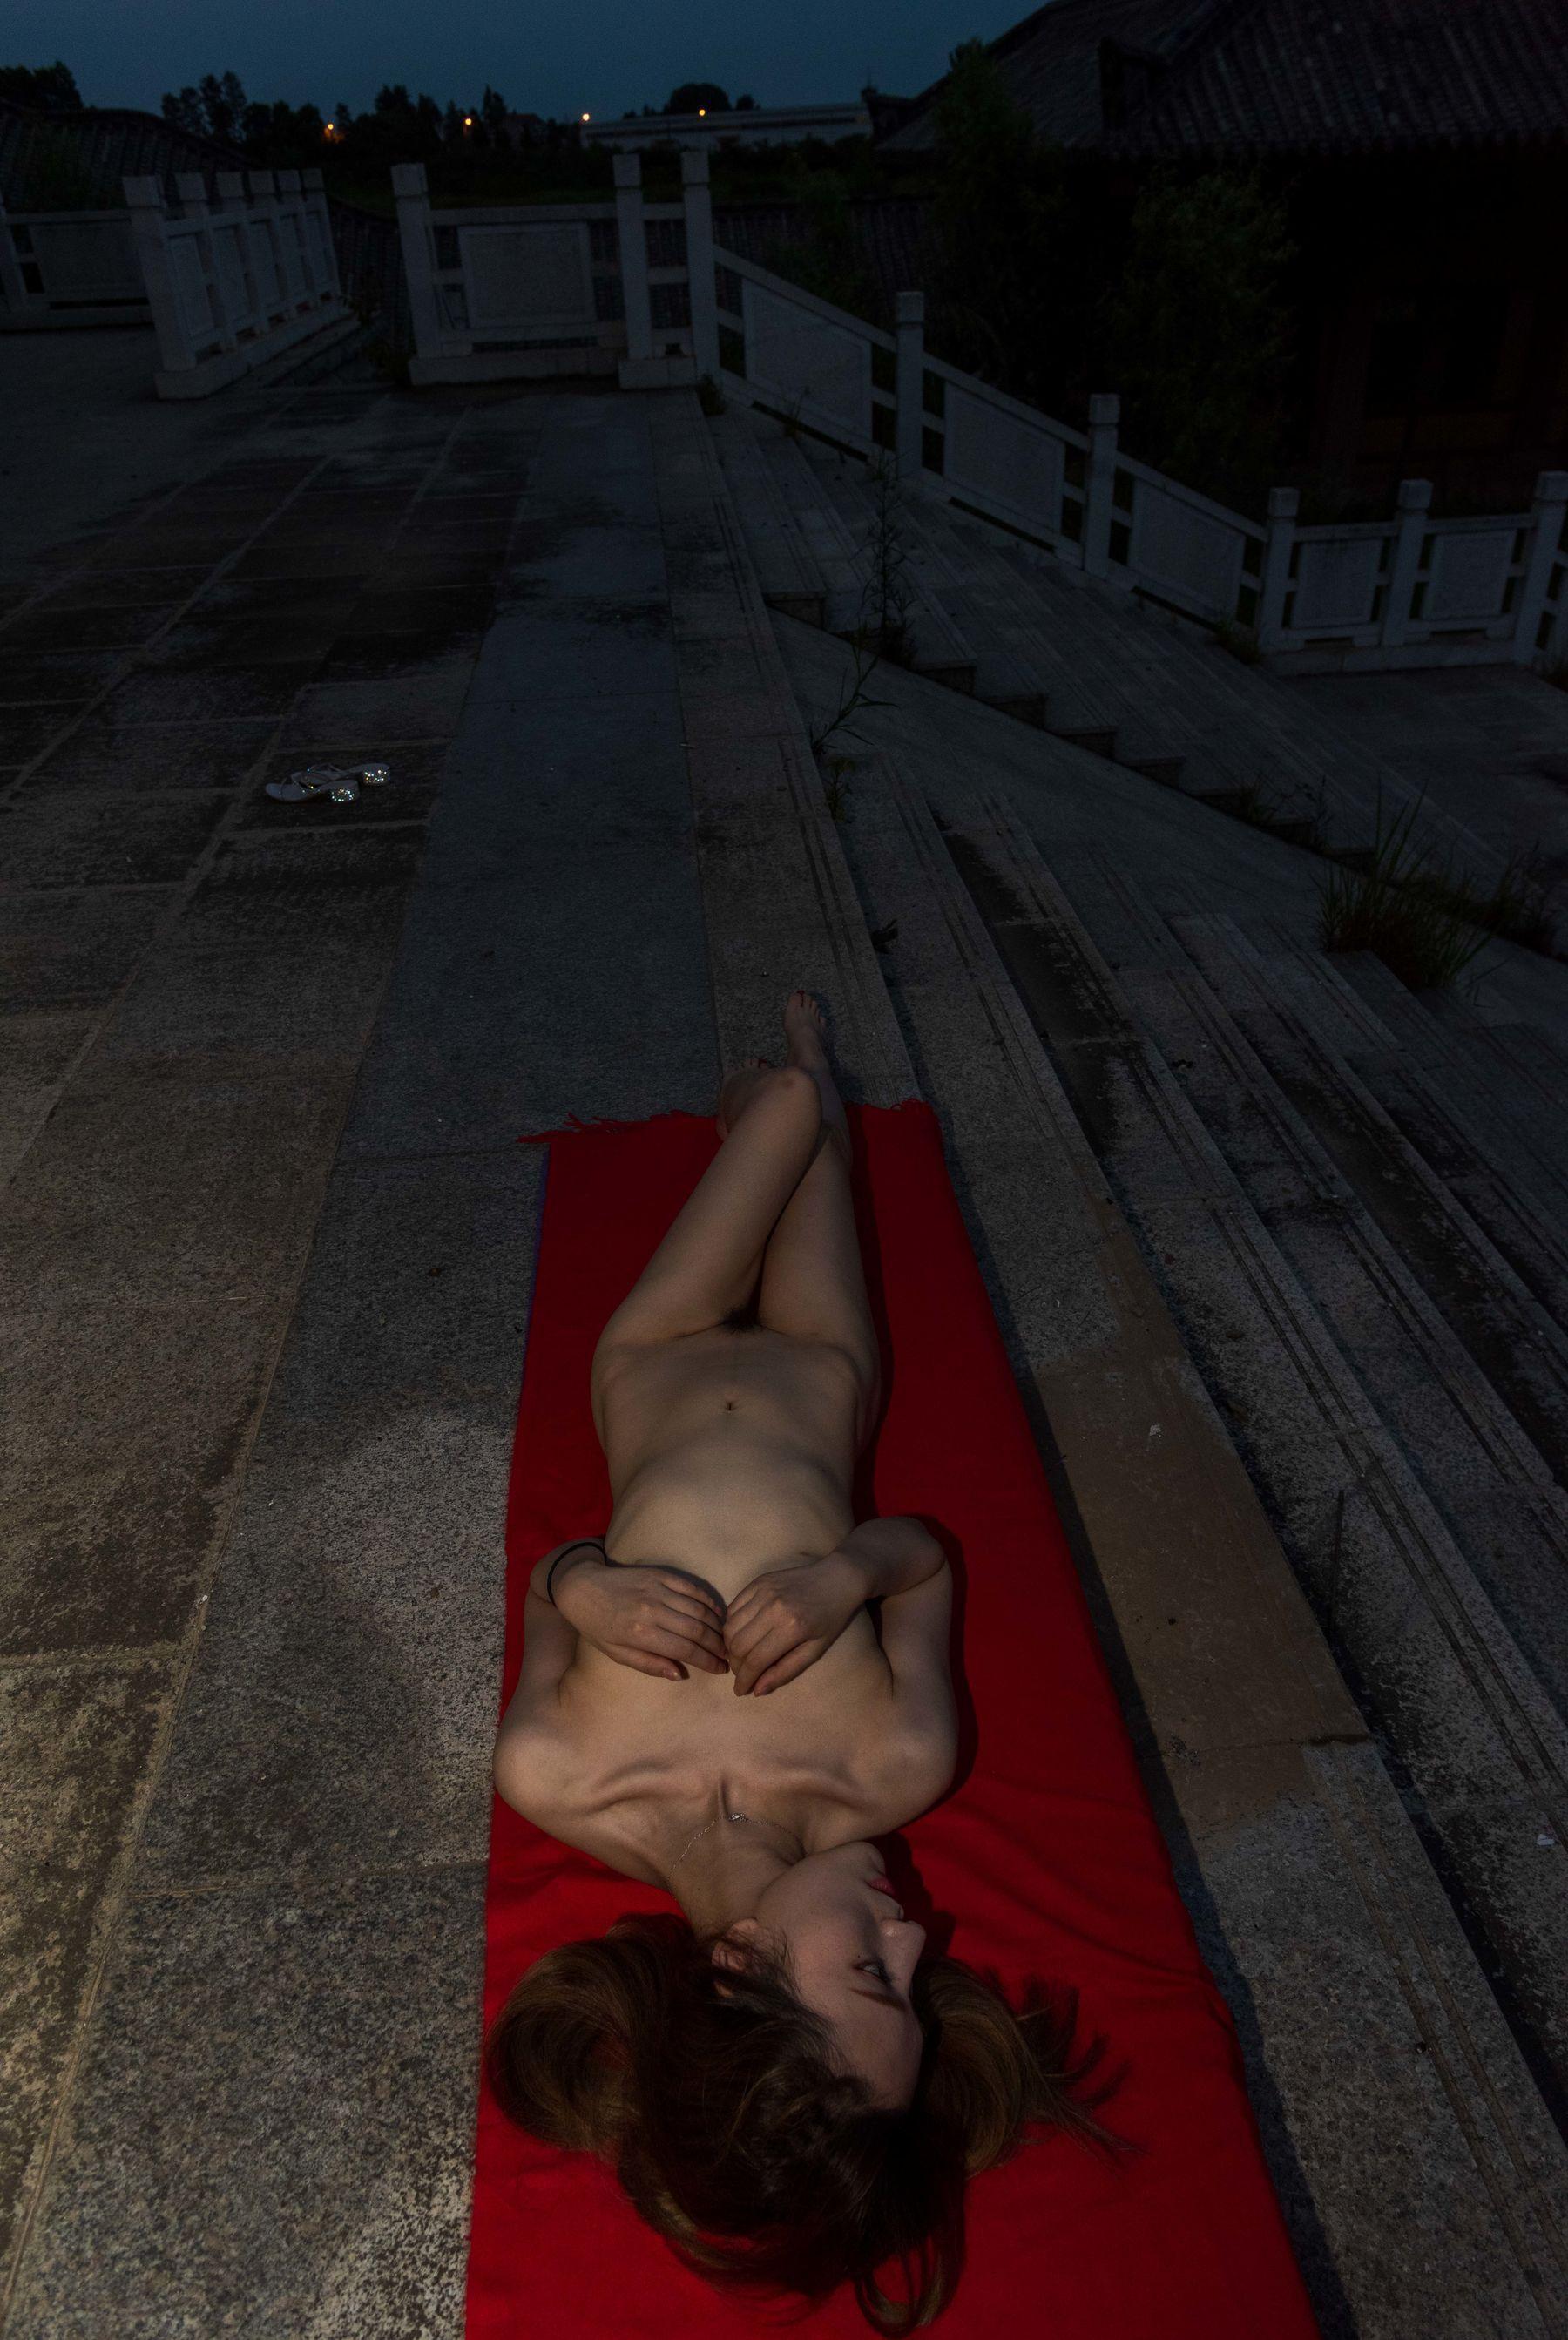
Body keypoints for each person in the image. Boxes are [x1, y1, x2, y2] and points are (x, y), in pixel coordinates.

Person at [488, 991, 1119, 2330]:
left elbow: (545, 1584)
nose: (917, 1928)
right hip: (828, 1374)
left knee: (779, 1111)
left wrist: (587, 1582)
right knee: (815, 1117)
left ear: (738, 1966)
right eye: (918, 1981)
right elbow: (929, 1560)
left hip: (650, 1361)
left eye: (874, 1971)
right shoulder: (898, 1760)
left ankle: (781, 1089)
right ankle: (817, 1069)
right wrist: (849, 1573)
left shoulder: (559, 1770)